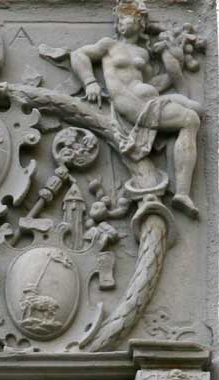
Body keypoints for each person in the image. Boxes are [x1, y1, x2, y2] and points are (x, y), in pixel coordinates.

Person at [70, 0, 202, 218]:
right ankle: (182, 193)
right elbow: (78, 55)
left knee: (196, 109)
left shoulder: (143, 53)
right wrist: (90, 82)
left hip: (148, 100)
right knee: (190, 119)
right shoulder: (109, 45)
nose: (121, 22)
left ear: (140, 22)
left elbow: (153, 84)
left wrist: (173, 62)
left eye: (126, 17)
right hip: (132, 105)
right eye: (119, 18)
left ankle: (181, 190)